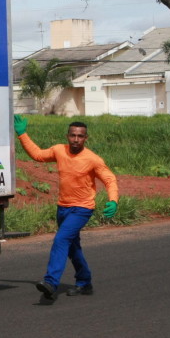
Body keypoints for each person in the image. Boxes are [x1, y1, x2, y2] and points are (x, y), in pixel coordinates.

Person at [14, 115, 119, 299]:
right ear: (67, 136)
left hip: (82, 209)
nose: (76, 139)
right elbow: (38, 155)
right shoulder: (59, 150)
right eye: (73, 135)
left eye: (80, 136)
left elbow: (110, 179)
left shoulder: (92, 159)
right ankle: (84, 282)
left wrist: (113, 200)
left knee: (61, 240)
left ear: (86, 138)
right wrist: (22, 134)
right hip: (62, 208)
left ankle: (51, 282)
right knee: (72, 247)